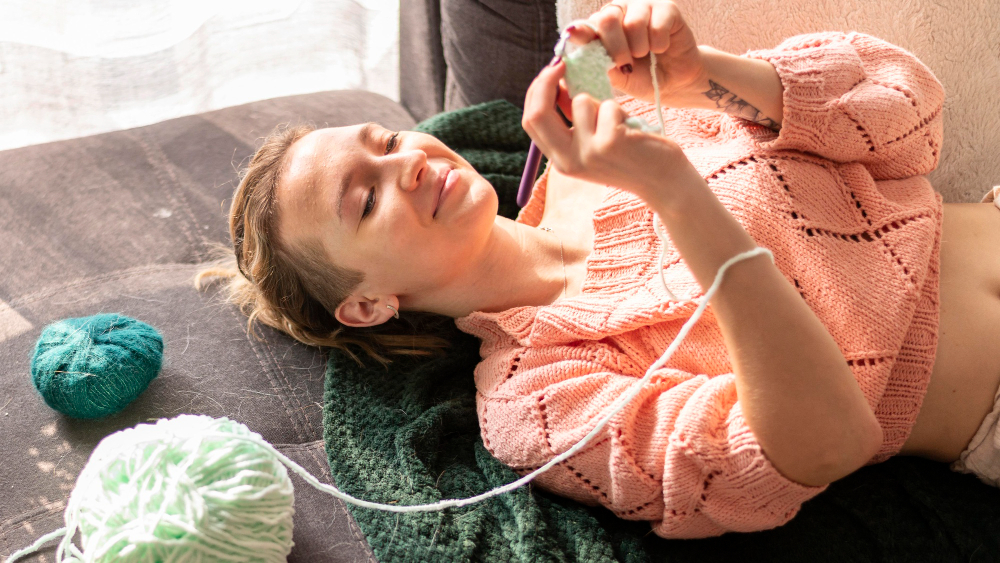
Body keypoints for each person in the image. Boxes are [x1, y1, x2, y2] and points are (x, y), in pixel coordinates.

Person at [198, 0, 1000, 539]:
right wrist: (678, 195)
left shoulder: (589, 145)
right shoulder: (535, 401)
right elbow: (824, 445)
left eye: (385, 141)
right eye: (363, 201)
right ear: (368, 305)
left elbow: (910, 117)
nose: (407, 162)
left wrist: (701, 76)